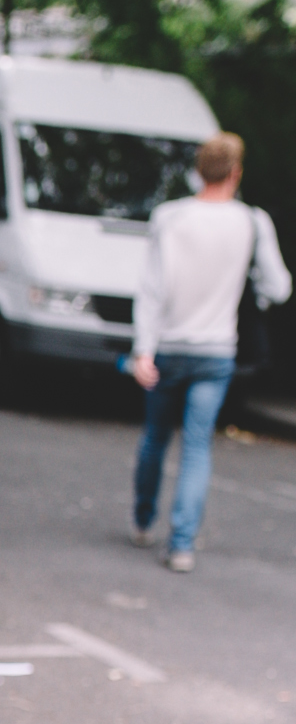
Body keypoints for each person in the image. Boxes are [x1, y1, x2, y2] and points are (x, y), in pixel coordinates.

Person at [128, 130, 290, 571]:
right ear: (236, 173)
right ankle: (181, 544)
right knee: (197, 446)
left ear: (199, 172)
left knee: (155, 438)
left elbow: (151, 289)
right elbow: (279, 286)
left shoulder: (169, 217)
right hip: (217, 352)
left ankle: (143, 520)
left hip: (168, 347)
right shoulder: (251, 221)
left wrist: (143, 350)